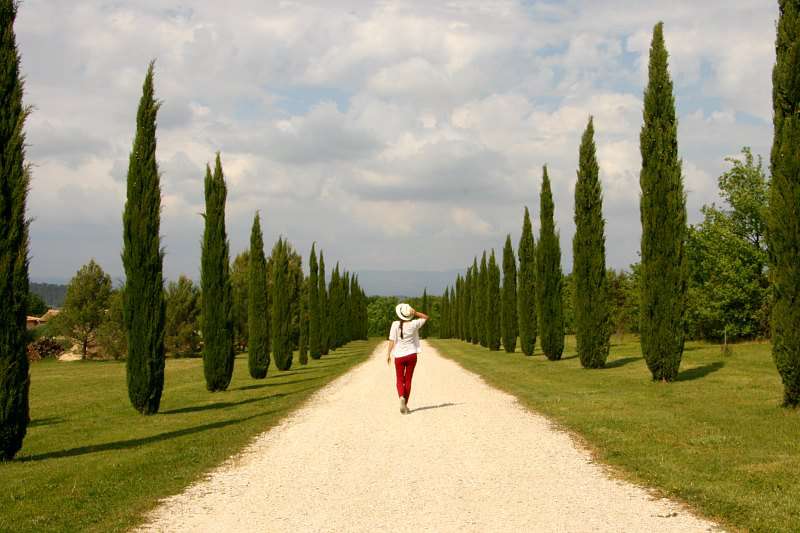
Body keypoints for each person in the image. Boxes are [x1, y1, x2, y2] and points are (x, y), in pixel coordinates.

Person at [386, 302, 428, 414]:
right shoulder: (414, 324)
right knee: (408, 380)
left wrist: (388, 354)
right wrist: (415, 312)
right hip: (411, 355)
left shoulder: (395, 324)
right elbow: (425, 317)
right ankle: (405, 404)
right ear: (409, 315)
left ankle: (401, 398)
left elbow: (391, 340)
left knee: (400, 380)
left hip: (399, 356)